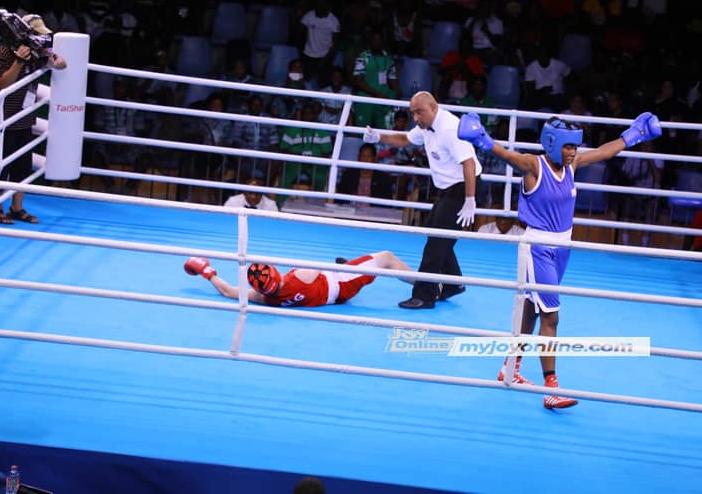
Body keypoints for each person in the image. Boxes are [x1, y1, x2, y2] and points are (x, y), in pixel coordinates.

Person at [457, 110, 662, 409]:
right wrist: (481, 139)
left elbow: (604, 152)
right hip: (537, 248)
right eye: (568, 146)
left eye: (575, 146)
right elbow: (504, 153)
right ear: (552, 142)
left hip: (563, 248)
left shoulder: (573, 164)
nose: (572, 152)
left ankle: (509, 367)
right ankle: (551, 387)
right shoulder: (533, 165)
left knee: (532, 311)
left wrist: (634, 135)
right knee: (551, 317)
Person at [362, 91, 481, 309]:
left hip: (463, 186)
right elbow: (405, 139)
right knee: (435, 233)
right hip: (448, 188)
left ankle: (425, 295)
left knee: (435, 243)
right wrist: (379, 137)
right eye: (413, 113)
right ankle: (454, 283)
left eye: (419, 112)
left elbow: (469, 164)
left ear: (433, 107)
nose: (416, 118)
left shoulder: (450, 128)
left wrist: (470, 199)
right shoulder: (426, 125)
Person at [0, 13, 67, 224]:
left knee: (22, 166)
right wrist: (19, 62)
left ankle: (16, 208)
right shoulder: (5, 51)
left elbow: (62, 64)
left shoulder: (37, 54)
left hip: (23, 118)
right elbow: (3, 83)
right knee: (0, 165)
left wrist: (48, 54)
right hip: (1, 120)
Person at [183, 250, 414, 308]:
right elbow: (321, 268)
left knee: (344, 267)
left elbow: (229, 292)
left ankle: (348, 267)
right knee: (386, 258)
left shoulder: (264, 298)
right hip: (340, 282)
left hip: (333, 295)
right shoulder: (301, 277)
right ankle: (427, 284)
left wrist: (208, 273)